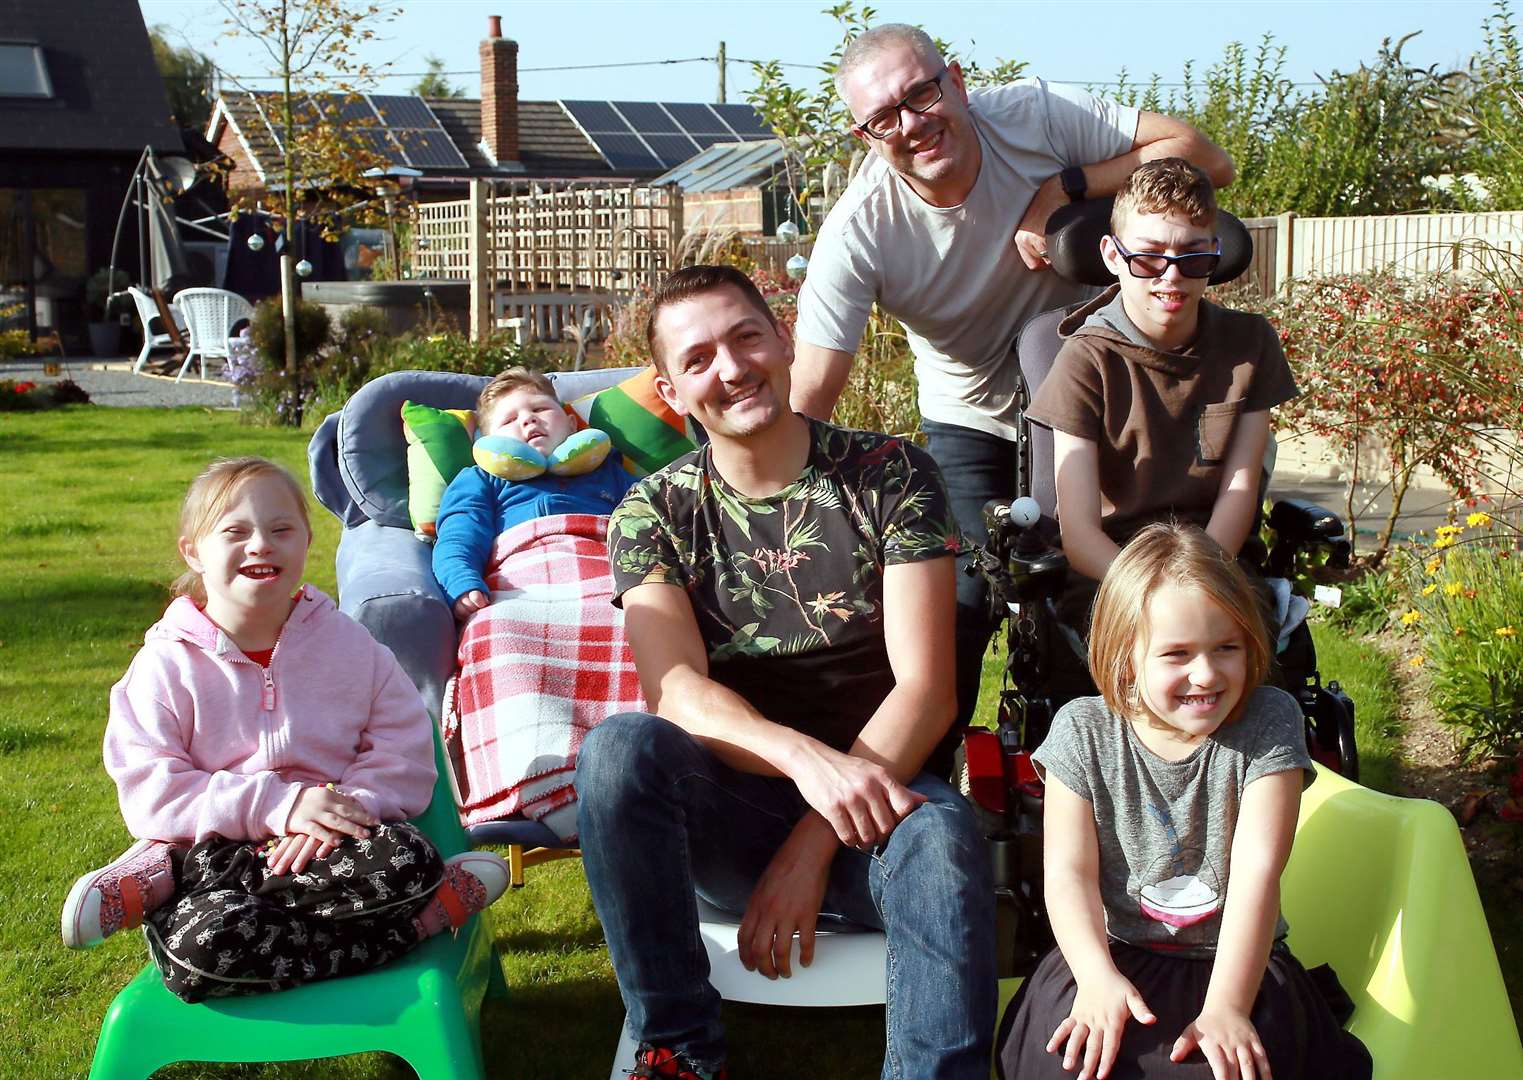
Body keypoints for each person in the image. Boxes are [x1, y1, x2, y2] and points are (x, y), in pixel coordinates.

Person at [576, 265, 994, 1080]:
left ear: (784, 339)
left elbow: (927, 690)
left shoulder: (889, 473)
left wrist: (813, 841)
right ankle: (676, 1050)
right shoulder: (652, 511)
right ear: (671, 389)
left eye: (745, 338)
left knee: (943, 835)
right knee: (620, 750)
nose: (730, 369)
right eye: (698, 360)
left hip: (883, 805)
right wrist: (805, 762)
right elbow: (675, 692)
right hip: (725, 811)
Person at [791, 23, 1236, 736]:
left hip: (1101, 406)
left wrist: (1061, 191)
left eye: (921, 93)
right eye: (883, 118)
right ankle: (922, 801)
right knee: (956, 607)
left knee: (1118, 581)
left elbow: (1205, 159)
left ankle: (1142, 754)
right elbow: (808, 395)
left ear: (957, 82)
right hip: (972, 421)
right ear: (864, 136)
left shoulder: (1031, 117)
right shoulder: (859, 230)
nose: (911, 124)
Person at [60, 457, 509, 1002]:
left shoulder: (353, 647)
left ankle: (162, 887)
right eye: (235, 532)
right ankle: (418, 924)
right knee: (197, 949)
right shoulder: (164, 666)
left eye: (280, 530)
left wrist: (342, 808)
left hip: (332, 852)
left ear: (304, 542)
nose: (260, 545)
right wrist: (282, 804)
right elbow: (152, 789)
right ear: (192, 552)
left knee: (408, 863)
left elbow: (406, 750)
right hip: (213, 859)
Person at [995, 523, 1372, 1080]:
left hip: (1235, 964)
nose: (1206, 673)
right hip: (1109, 953)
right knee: (1078, 1061)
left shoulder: (1269, 724)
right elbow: (1068, 875)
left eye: (1227, 648)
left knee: (1216, 1068)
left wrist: (1227, 1007)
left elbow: (1256, 876)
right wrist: (1096, 979)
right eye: (1177, 654)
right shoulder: (1083, 730)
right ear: (1126, 658)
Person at [1028, 159, 1296, 630]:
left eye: (1192, 258)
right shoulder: (1084, 358)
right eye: (1149, 257)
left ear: (1214, 255)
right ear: (1113, 255)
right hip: (1112, 570)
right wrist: (1154, 596)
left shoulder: (1251, 345)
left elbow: (1240, 488)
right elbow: (1079, 531)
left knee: (1231, 654)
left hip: (1218, 560)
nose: (1171, 277)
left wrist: (1198, 583)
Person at [432, 366, 636, 622]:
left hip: (609, 579)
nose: (529, 419)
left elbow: (653, 515)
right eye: (508, 420)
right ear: (486, 441)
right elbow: (459, 534)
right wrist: (461, 580)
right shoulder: (480, 479)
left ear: (572, 424)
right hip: (520, 589)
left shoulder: (609, 471)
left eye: (540, 409)